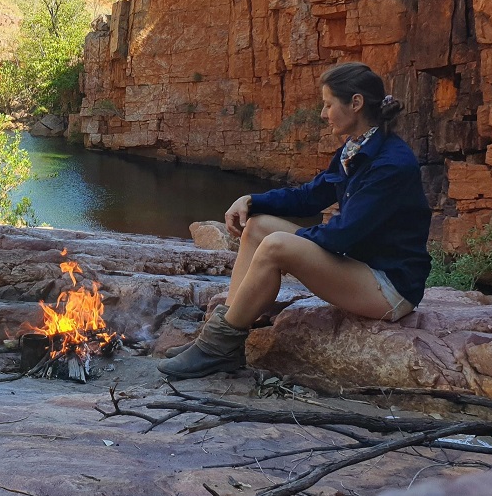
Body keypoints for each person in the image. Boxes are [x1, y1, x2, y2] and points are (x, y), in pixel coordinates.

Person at [159, 62, 431, 380]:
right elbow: (309, 197)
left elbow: (342, 236)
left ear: (355, 104)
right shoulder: (357, 148)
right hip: (360, 266)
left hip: (389, 287)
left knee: (275, 245)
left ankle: (218, 348)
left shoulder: (391, 165)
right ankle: (221, 337)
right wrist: (252, 200)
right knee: (259, 227)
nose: (323, 113)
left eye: (329, 104)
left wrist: (292, 246)